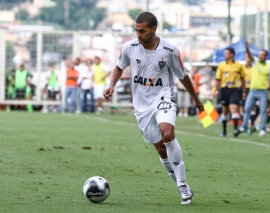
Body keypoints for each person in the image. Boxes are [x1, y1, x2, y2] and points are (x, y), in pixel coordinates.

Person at [103, 12, 204, 205]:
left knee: (167, 134)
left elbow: (183, 75)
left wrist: (196, 99)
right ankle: (181, 185)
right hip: (142, 105)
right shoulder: (129, 47)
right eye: (136, 31)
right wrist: (111, 85)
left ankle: (182, 184)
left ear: (153, 29)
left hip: (163, 96)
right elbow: (118, 67)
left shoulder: (169, 50)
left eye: (142, 31)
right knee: (160, 149)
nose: (138, 35)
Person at [241, 42, 270, 136]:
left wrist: (269, 87)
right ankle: (244, 126)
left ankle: (262, 128)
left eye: (263, 55)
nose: (261, 57)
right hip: (253, 90)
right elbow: (250, 55)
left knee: (263, 110)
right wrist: (247, 48)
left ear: (266, 56)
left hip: (263, 91)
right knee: (247, 108)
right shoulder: (255, 62)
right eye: (260, 55)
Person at [212, 48, 246, 137]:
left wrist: (244, 91)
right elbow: (218, 79)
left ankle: (235, 130)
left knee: (234, 108)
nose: (225, 55)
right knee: (225, 111)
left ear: (232, 54)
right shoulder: (221, 65)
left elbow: (242, 79)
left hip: (235, 90)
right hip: (224, 90)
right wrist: (215, 90)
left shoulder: (239, 65)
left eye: (226, 53)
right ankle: (224, 131)